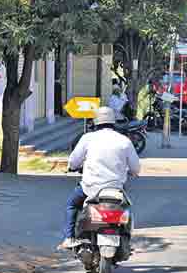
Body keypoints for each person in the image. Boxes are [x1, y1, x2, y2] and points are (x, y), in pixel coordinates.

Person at [59, 107, 141, 250]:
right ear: (113, 122)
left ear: (95, 122)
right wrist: (132, 172)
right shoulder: (124, 141)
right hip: (116, 189)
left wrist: (72, 167)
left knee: (71, 204)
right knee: (126, 208)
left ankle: (69, 237)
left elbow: (73, 161)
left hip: (90, 188)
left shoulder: (87, 138)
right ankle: (127, 239)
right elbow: (135, 167)